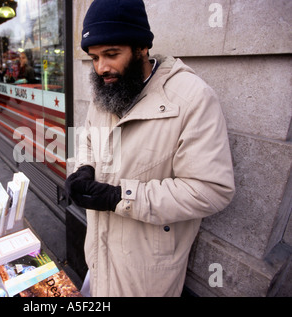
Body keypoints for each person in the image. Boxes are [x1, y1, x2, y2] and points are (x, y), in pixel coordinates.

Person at [65, 0, 235, 297]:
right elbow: (88, 138)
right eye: (94, 57)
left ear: (142, 47)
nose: (101, 67)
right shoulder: (106, 90)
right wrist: (84, 167)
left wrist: (121, 197)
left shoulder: (192, 99)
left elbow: (212, 189)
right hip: (98, 256)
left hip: (145, 276)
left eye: (111, 54)